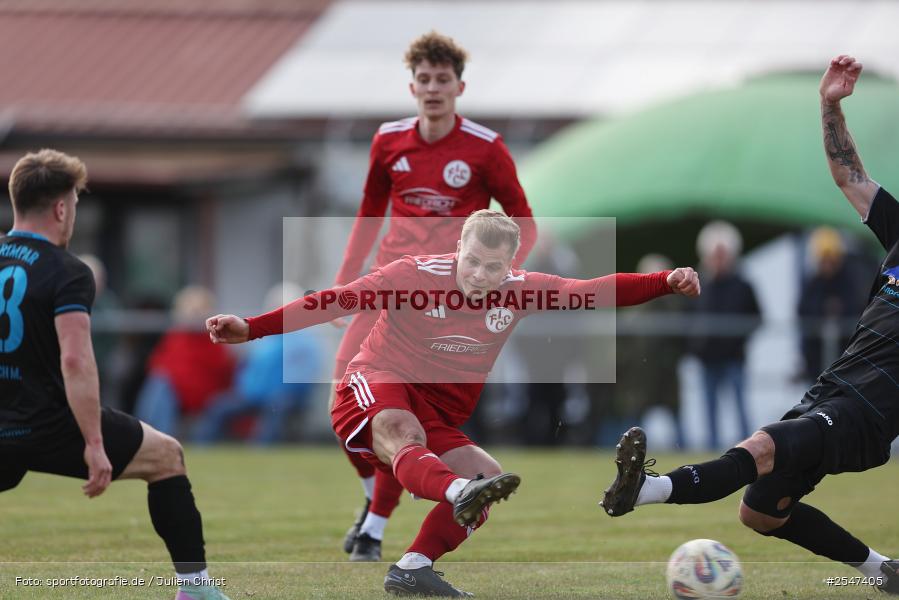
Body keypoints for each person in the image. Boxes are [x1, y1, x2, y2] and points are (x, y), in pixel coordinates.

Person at [208, 209, 699, 596]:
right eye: (473, 261)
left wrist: (663, 282)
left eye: (494, 266)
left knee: (487, 477)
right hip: (374, 386)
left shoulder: (519, 291)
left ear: (509, 265)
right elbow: (334, 300)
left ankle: (413, 568)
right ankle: (445, 494)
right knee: (408, 435)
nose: (481, 275)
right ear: (458, 247)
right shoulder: (412, 274)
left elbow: (590, 292)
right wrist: (252, 327)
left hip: (435, 413)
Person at [600, 55, 898, 595]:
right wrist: (829, 104)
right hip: (831, 389)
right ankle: (882, 571)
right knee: (761, 512)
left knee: (762, 446)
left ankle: (646, 489)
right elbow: (848, 175)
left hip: (869, 414)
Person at [331, 30, 537, 562]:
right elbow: (369, 213)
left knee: (409, 414)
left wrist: (500, 283)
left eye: (442, 79)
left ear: (459, 86)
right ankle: (373, 507)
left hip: (446, 303)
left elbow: (524, 223)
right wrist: (345, 284)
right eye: (424, 79)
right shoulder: (389, 141)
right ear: (412, 86)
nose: (433, 88)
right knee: (346, 391)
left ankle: (374, 530)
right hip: (390, 290)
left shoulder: (485, 148)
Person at [0, 150, 228, 600]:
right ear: (62, 208)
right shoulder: (68, 271)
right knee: (166, 458)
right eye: (76, 205)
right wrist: (95, 443)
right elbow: (76, 361)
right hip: (49, 421)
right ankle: (195, 588)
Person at [192, 283, 322, 444]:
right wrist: (244, 390)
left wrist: (276, 392)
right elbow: (247, 369)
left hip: (283, 397)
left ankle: (261, 451)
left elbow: (301, 378)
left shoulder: (304, 341)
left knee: (276, 406)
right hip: (253, 395)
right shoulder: (264, 337)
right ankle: (203, 450)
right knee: (219, 406)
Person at [689, 220, 761, 449]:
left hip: (733, 357)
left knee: (739, 406)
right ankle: (712, 450)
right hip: (707, 357)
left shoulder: (742, 285)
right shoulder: (700, 285)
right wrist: (696, 345)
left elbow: (756, 317)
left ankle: (747, 449)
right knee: (709, 409)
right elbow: (689, 318)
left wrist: (737, 338)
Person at [134, 286, 236, 437]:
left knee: (161, 387)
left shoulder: (217, 339)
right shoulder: (175, 336)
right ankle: (151, 437)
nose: (194, 314)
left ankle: (151, 437)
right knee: (159, 385)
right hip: (174, 395)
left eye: (199, 309)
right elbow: (156, 365)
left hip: (205, 397)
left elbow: (224, 375)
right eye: (190, 309)